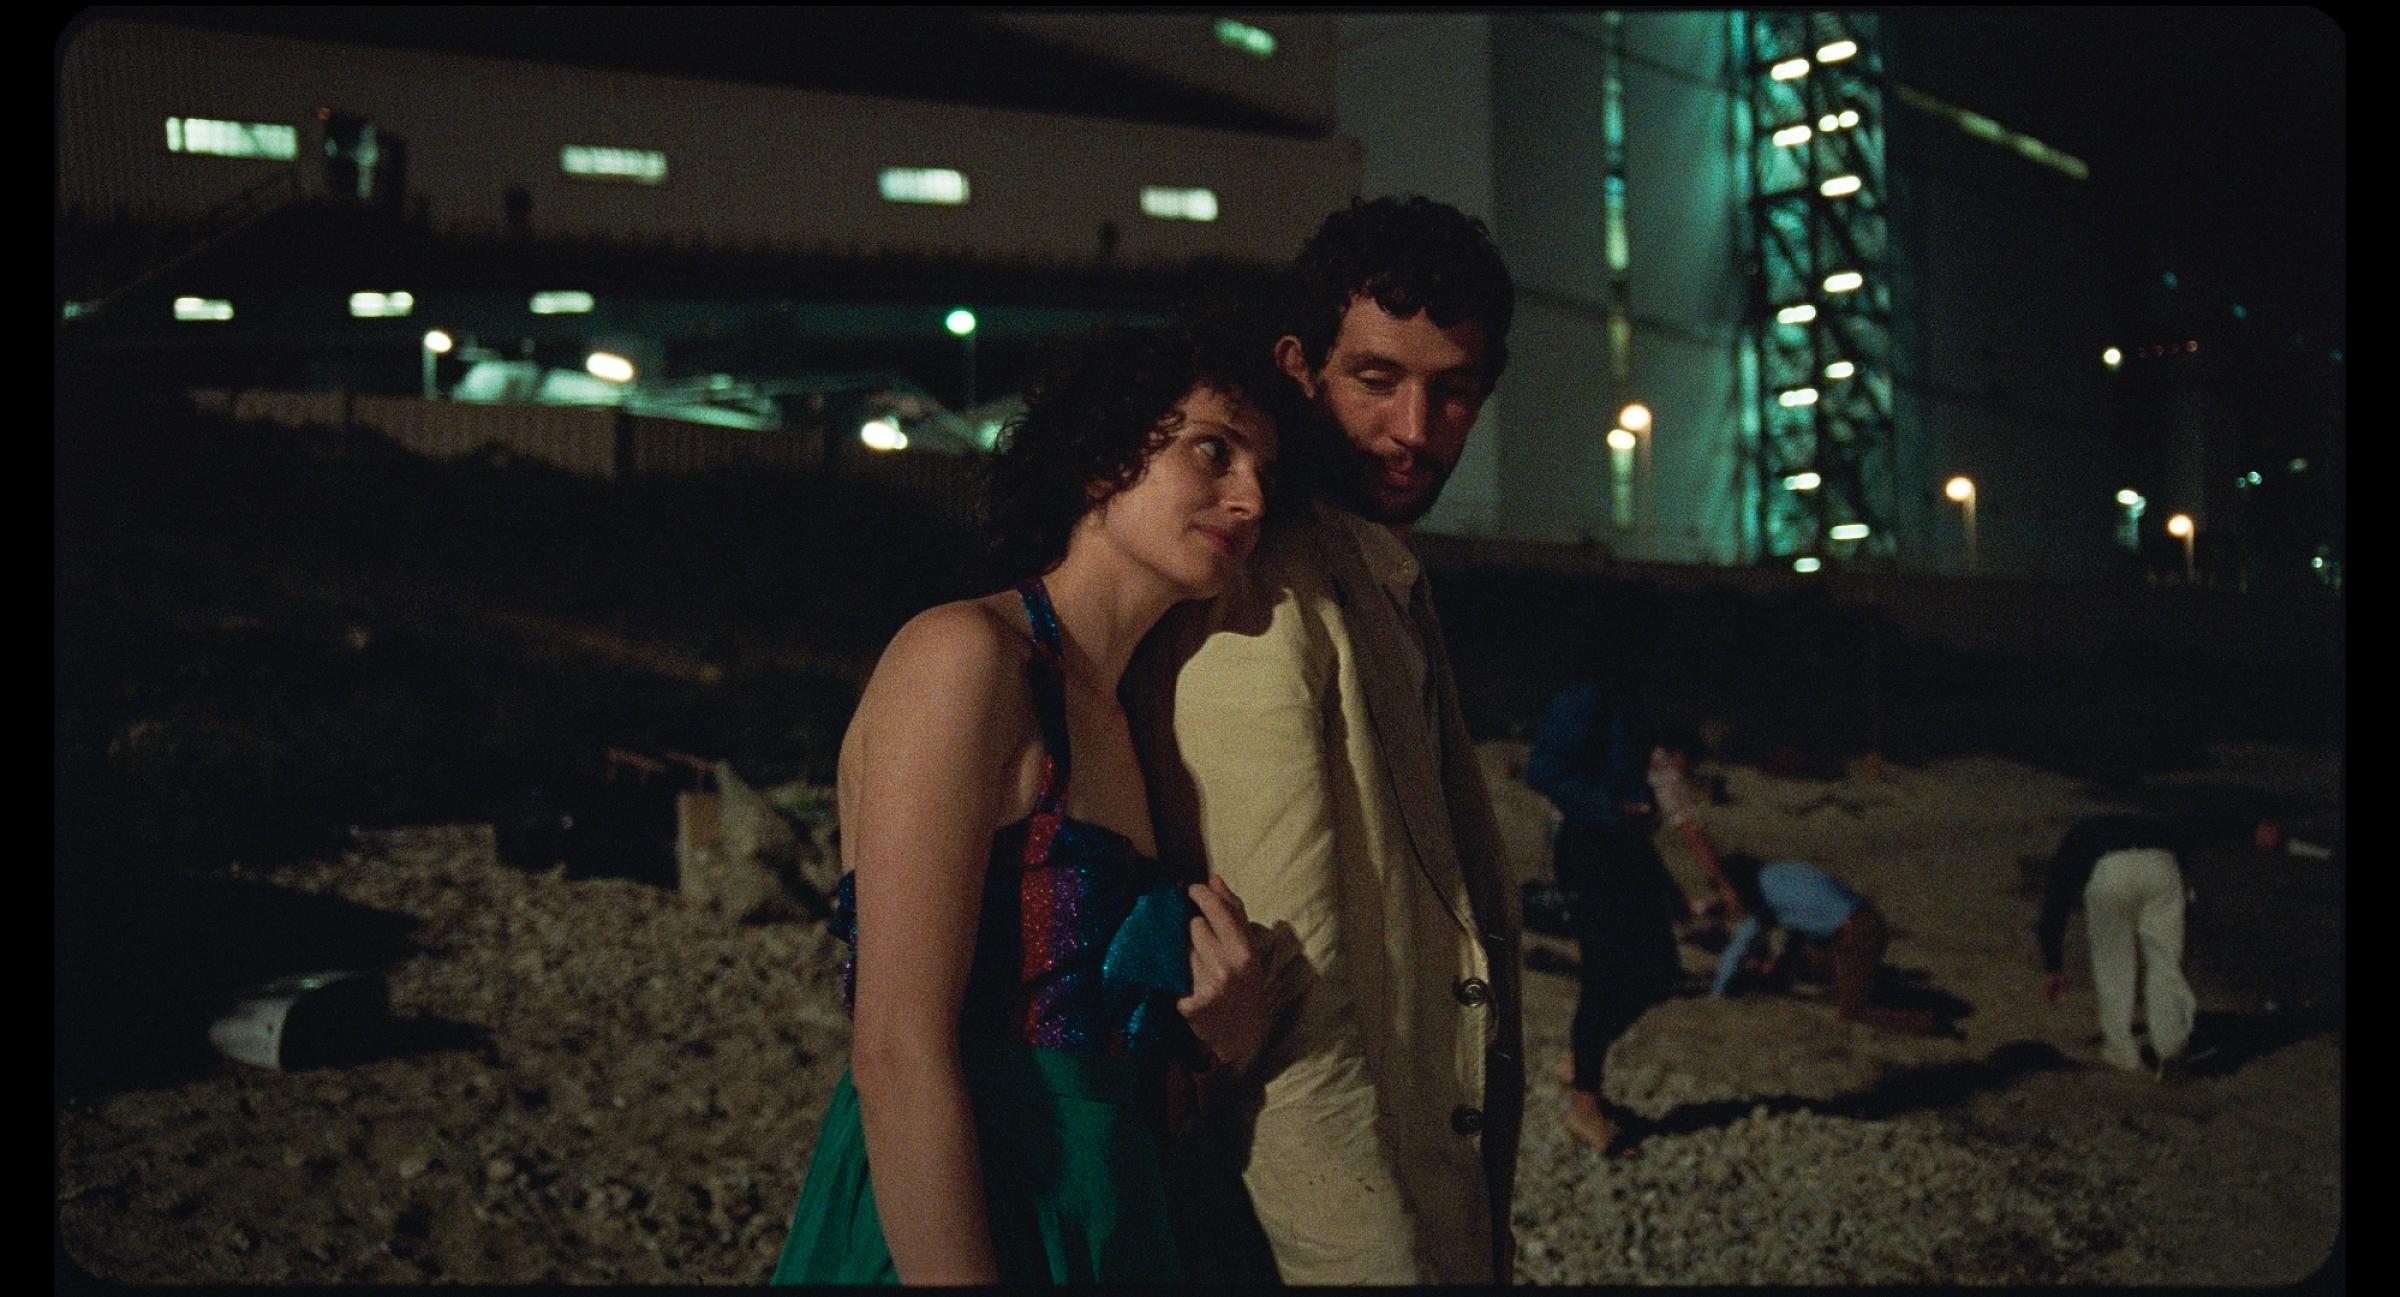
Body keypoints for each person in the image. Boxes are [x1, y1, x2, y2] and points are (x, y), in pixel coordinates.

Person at [770, 324, 1279, 1284]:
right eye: (1213, 450)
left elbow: (1117, 1058)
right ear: (1101, 460)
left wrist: (1224, 1037)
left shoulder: (1125, 716)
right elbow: (896, 1048)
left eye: (1265, 471)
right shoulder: (965, 656)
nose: (1250, 498)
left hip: (1109, 1207)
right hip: (959, 1214)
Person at [1131, 196, 1523, 1284]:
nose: (1415, 429)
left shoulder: (1376, 575)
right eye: (1377, 379)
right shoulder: (1262, 597)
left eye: (1453, 390)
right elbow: (1287, 1011)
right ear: (1298, 368)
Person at [1523, 677, 1685, 1158]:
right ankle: (1584, 1106)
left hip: (1627, 846)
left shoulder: (1625, 694)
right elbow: (1543, 771)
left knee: (1661, 970)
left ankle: (1581, 1060)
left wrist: (1639, 803)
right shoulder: (1585, 696)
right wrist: (1610, 806)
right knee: (1604, 976)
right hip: (1594, 848)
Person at [2036, 813, 2199, 1073]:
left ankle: (2121, 1051)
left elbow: (2057, 898)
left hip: (2110, 870)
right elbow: (2186, 845)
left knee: (2112, 964)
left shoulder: (2081, 834)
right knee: (2165, 962)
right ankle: (2170, 1047)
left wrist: (2053, 965)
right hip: (2161, 864)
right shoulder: (2153, 822)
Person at [1711, 854, 1936, 1036]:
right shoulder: (1783, 869)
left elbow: (1738, 949)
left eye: (1726, 891)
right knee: (1806, 955)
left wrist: (1718, 993)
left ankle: (1927, 1023)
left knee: (1852, 1012)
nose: (1727, 898)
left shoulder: (1763, 900)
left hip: (1855, 935)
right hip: (1866, 919)